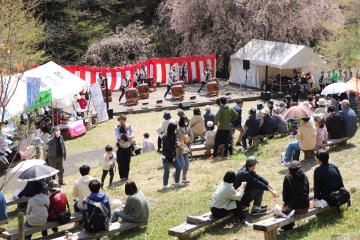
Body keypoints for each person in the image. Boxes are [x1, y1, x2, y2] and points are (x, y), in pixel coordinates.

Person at [281, 161, 309, 230]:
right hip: (306, 206)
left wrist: (284, 205)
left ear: (289, 169)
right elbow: (307, 190)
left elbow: (285, 194)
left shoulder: (288, 177)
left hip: (295, 208)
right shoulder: (304, 176)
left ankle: (287, 227)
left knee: (282, 211)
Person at [161, 122, 177, 190]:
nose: (176, 130)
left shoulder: (174, 135)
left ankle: (176, 179)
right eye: (175, 128)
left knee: (178, 166)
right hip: (166, 156)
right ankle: (165, 185)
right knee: (167, 171)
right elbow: (169, 147)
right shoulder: (166, 137)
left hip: (171, 155)